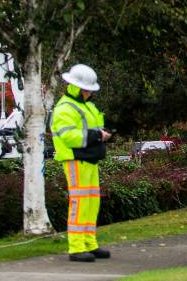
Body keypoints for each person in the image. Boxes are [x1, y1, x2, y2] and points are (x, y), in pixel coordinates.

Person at [52, 64, 112, 263]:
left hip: (90, 160)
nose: (88, 93)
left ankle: (89, 243)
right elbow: (68, 136)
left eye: (90, 90)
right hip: (75, 160)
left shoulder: (87, 106)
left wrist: (102, 134)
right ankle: (76, 247)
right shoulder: (65, 108)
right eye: (86, 89)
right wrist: (97, 135)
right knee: (79, 202)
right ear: (75, 87)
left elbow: (91, 130)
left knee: (91, 202)